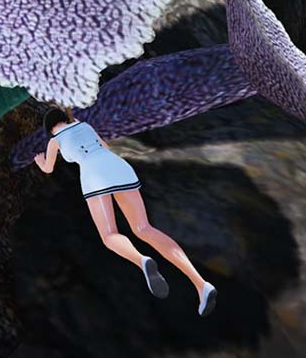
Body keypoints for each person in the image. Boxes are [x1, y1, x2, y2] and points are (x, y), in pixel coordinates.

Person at [34, 107, 218, 316]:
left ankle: (142, 260)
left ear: (49, 128)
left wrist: (40, 161)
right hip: (118, 166)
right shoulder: (85, 126)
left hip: (94, 175)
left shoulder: (54, 141)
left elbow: (48, 168)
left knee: (109, 235)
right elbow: (104, 147)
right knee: (144, 228)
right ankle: (201, 284)